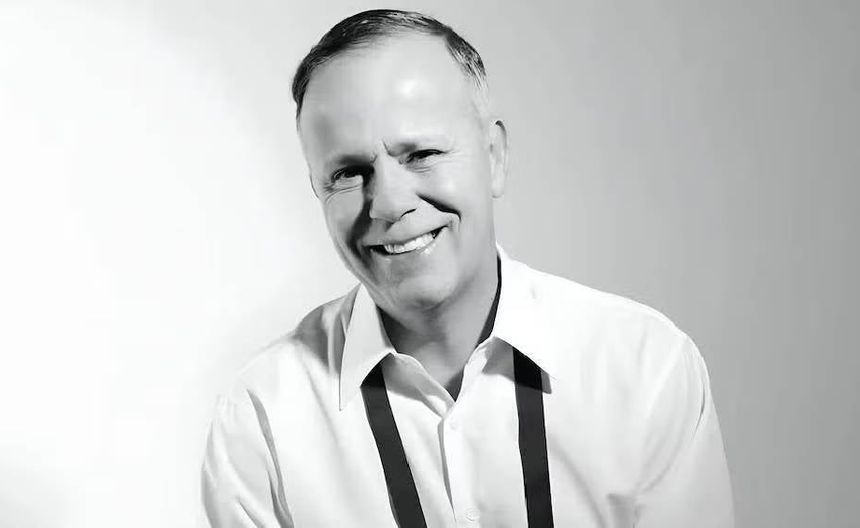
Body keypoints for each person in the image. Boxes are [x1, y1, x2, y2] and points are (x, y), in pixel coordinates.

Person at [201, 9, 734, 527]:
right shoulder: (262, 418)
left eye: (422, 153)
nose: (389, 203)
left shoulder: (643, 369)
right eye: (347, 172)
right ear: (317, 190)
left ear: (494, 156)